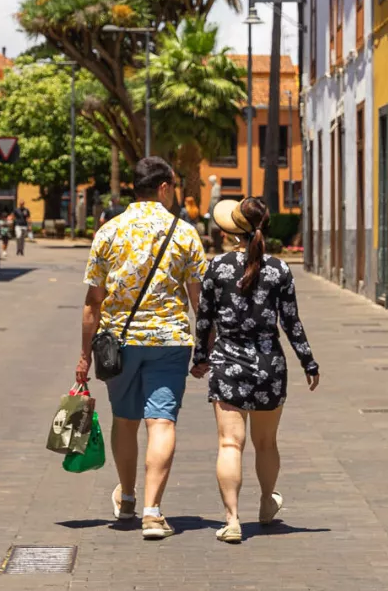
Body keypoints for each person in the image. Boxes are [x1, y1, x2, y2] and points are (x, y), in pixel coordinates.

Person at [77, 157, 207, 540]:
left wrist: (85, 355)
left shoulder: (109, 232)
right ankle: (153, 513)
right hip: (169, 342)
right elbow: (199, 301)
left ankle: (129, 498)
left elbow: (92, 302)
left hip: (119, 344)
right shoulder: (184, 233)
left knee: (125, 419)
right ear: (164, 187)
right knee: (162, 421)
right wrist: (207, 347)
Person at [192, 197, 320, 544]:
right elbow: (292, 322)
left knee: (229, 444)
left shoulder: (216, 268)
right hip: (269, 364)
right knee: (266, 443)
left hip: (228, 362)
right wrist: (309, 361)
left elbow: (204, 320)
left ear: (233, 230)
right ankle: (266, 503)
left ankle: (232, 520)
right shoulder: (279, 269)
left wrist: (199, 358)